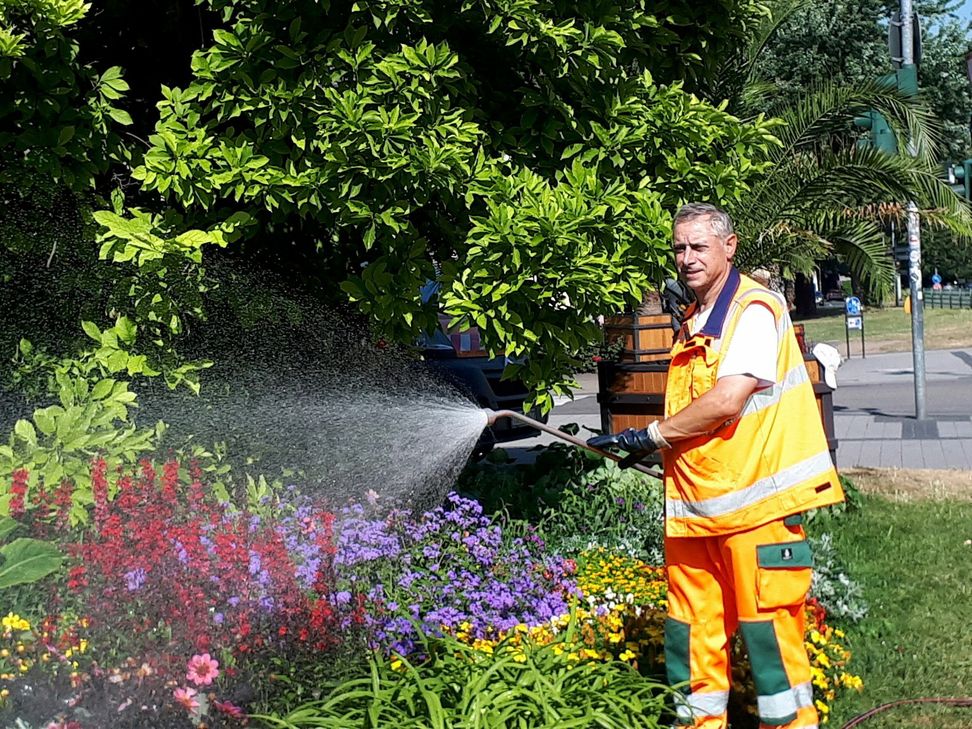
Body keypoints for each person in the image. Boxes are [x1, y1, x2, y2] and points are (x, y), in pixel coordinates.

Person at [588, 203, 844, 729]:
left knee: (770, 643)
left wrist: (651, 436)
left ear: (729, 247)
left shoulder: (753, 310)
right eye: (679, 248)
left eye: (698, 246)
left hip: (756, 514)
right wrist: (652, 445)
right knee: (691, 637)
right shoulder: (696, 319)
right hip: (695, 514)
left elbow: (727, 399)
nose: (687, 258)